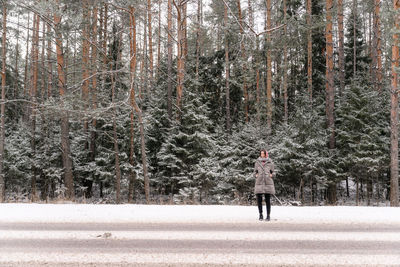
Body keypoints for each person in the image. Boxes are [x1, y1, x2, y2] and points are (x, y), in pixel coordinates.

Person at [253, 149, 275, 221]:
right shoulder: (257, 162)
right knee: (259, 200)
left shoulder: (270, 162)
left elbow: (274, 172)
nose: (262, 154)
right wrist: (256, 175)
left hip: (267, 182)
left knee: (267, 200)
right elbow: (254, 172)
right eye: (261, 153)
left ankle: (268, 215)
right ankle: (260, 215)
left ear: (266, 154)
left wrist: (272, 175)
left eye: (263, 153)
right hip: (259, 182)